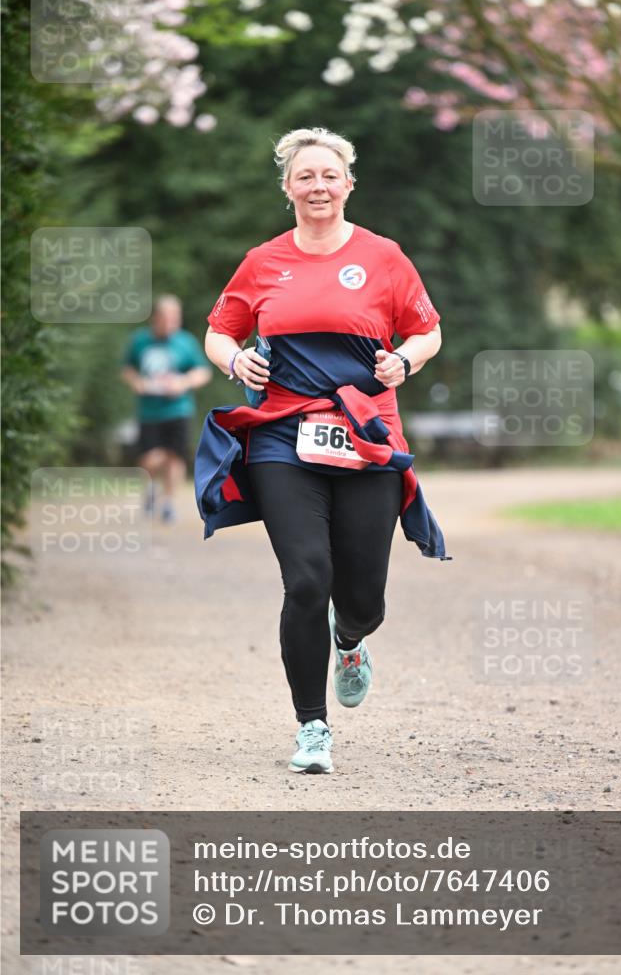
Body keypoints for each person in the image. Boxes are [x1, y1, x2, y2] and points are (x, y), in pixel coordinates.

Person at [197, 127, 447, 775]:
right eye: (304, 176)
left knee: (362, 597)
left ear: (347, 185)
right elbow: (219, 331)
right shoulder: (262, 261)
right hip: (282, 432)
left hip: (364, 434)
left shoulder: (384, 257)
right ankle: (312, 727)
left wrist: (401, 360)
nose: (317, 186)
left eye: (328, 176)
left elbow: (426, 330)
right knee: (306, 580)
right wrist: (236, 361)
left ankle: (350, 640)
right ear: (287, 188)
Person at [121, 295, 211, 522]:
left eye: (176, 318)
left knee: (176, 457)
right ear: (156, 318)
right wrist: (137, 383)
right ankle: (151, 489)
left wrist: (183, 383)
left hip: (179, 409)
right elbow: (127, 369)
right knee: (150, 458)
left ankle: (169, 503)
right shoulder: (140, 340)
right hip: (149, 411)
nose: (172, 322)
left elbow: (203, 372)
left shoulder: (185, 342)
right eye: (168, 318)